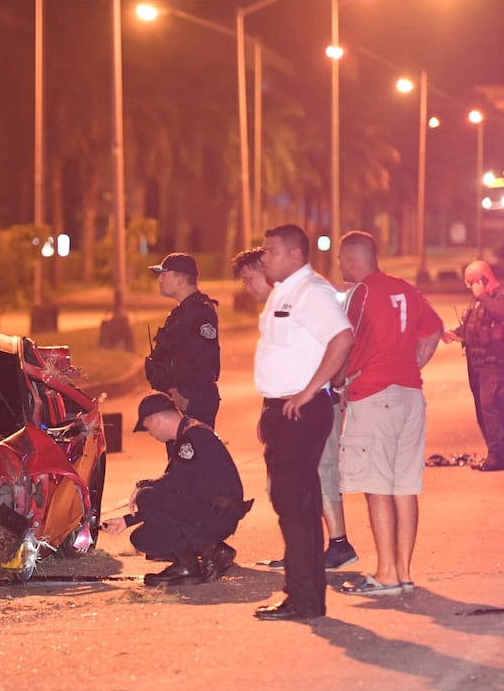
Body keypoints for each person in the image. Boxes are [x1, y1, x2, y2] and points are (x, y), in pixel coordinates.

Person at [250, 224, 353, 622]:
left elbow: (342, 338)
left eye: (271, 250)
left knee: (295, 506)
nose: (264, 256)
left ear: (296, 254)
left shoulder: (313, 292)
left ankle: (304, 598)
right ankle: (303, 594)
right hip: (281, 409)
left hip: (300, 411)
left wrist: (311, 390)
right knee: (295, 505)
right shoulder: (284, 291)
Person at [233, 248, 359, 573]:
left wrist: (328, 386)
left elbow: (341, 340)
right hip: (287, 406)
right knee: (290, 485)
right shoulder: (278, 304)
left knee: (318, 473)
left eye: (250, 278)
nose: (248, 286)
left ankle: (336, 545)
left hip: (315, 403)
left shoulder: (309, 295)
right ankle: (302, 553)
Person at [333, 231, 443, 596]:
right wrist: (414, 363)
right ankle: (402, 572)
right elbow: (433, 329)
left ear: (352, 260)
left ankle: (385, 574)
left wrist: (340, 382)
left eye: (340, 259)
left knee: (376, 485)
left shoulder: (361, 293)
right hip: (410, 394)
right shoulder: (406, 290)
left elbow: (344, 340)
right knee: (405, 485)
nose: (339, 265)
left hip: (373, 395)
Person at [101, 393, 251, 586]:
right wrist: (127, 520)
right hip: (212, 512)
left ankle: (187, 567)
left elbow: (172, 486)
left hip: (217, 515)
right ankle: (212, 550)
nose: (151, 435)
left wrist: (142, 486)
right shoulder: (190, 433)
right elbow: (176, 495)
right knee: (143, 538)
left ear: (157, 419)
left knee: (147, 496)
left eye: (148, 428)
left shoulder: (193, 437)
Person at [441, 259, 504, 471]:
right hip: (478, 363)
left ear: (482, 279)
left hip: (499, 363)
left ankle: (497, 457)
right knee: (484, 411)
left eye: (471, 282)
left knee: (492, 408)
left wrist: (483, 295)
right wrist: (456, 334)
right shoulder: (481, 300)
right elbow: (477, 324)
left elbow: (503, 313)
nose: (469, 288)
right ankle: (494, 453)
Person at [143, 253, 221, 428]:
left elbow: (206, 362)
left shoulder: (200, 312)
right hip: (179, 398)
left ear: (180, 280)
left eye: (164, 275)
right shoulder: (182, 312)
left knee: (193, 453)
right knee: (178, 455)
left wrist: (185, 397)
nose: (159, 280)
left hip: (192, 400)